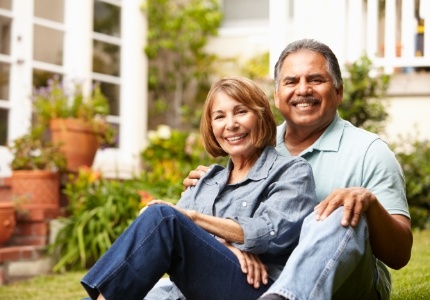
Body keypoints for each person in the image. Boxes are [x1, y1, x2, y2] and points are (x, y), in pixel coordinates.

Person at [184, 39, 413, 300]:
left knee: (339, 208)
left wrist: (369, 205)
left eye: (316, 80)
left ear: (339, 91)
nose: (303, 90)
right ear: (277, 96)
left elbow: (400, 255)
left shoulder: (369, 151)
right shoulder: (252, 144)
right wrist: (212, 189)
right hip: (258, 278)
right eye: (291, 82)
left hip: (344, 286)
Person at [80, 76, 317, 300]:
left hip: (257, 287)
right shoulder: (207, 180)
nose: (231, 125)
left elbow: (270, 231)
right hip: (195, 291)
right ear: (211, 126)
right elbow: (157, 231)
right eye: (220, 116)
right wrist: (226, 247)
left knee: (164, 217)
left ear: (261, 117)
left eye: (241, 112)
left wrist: (195, 219)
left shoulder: (292, 171)